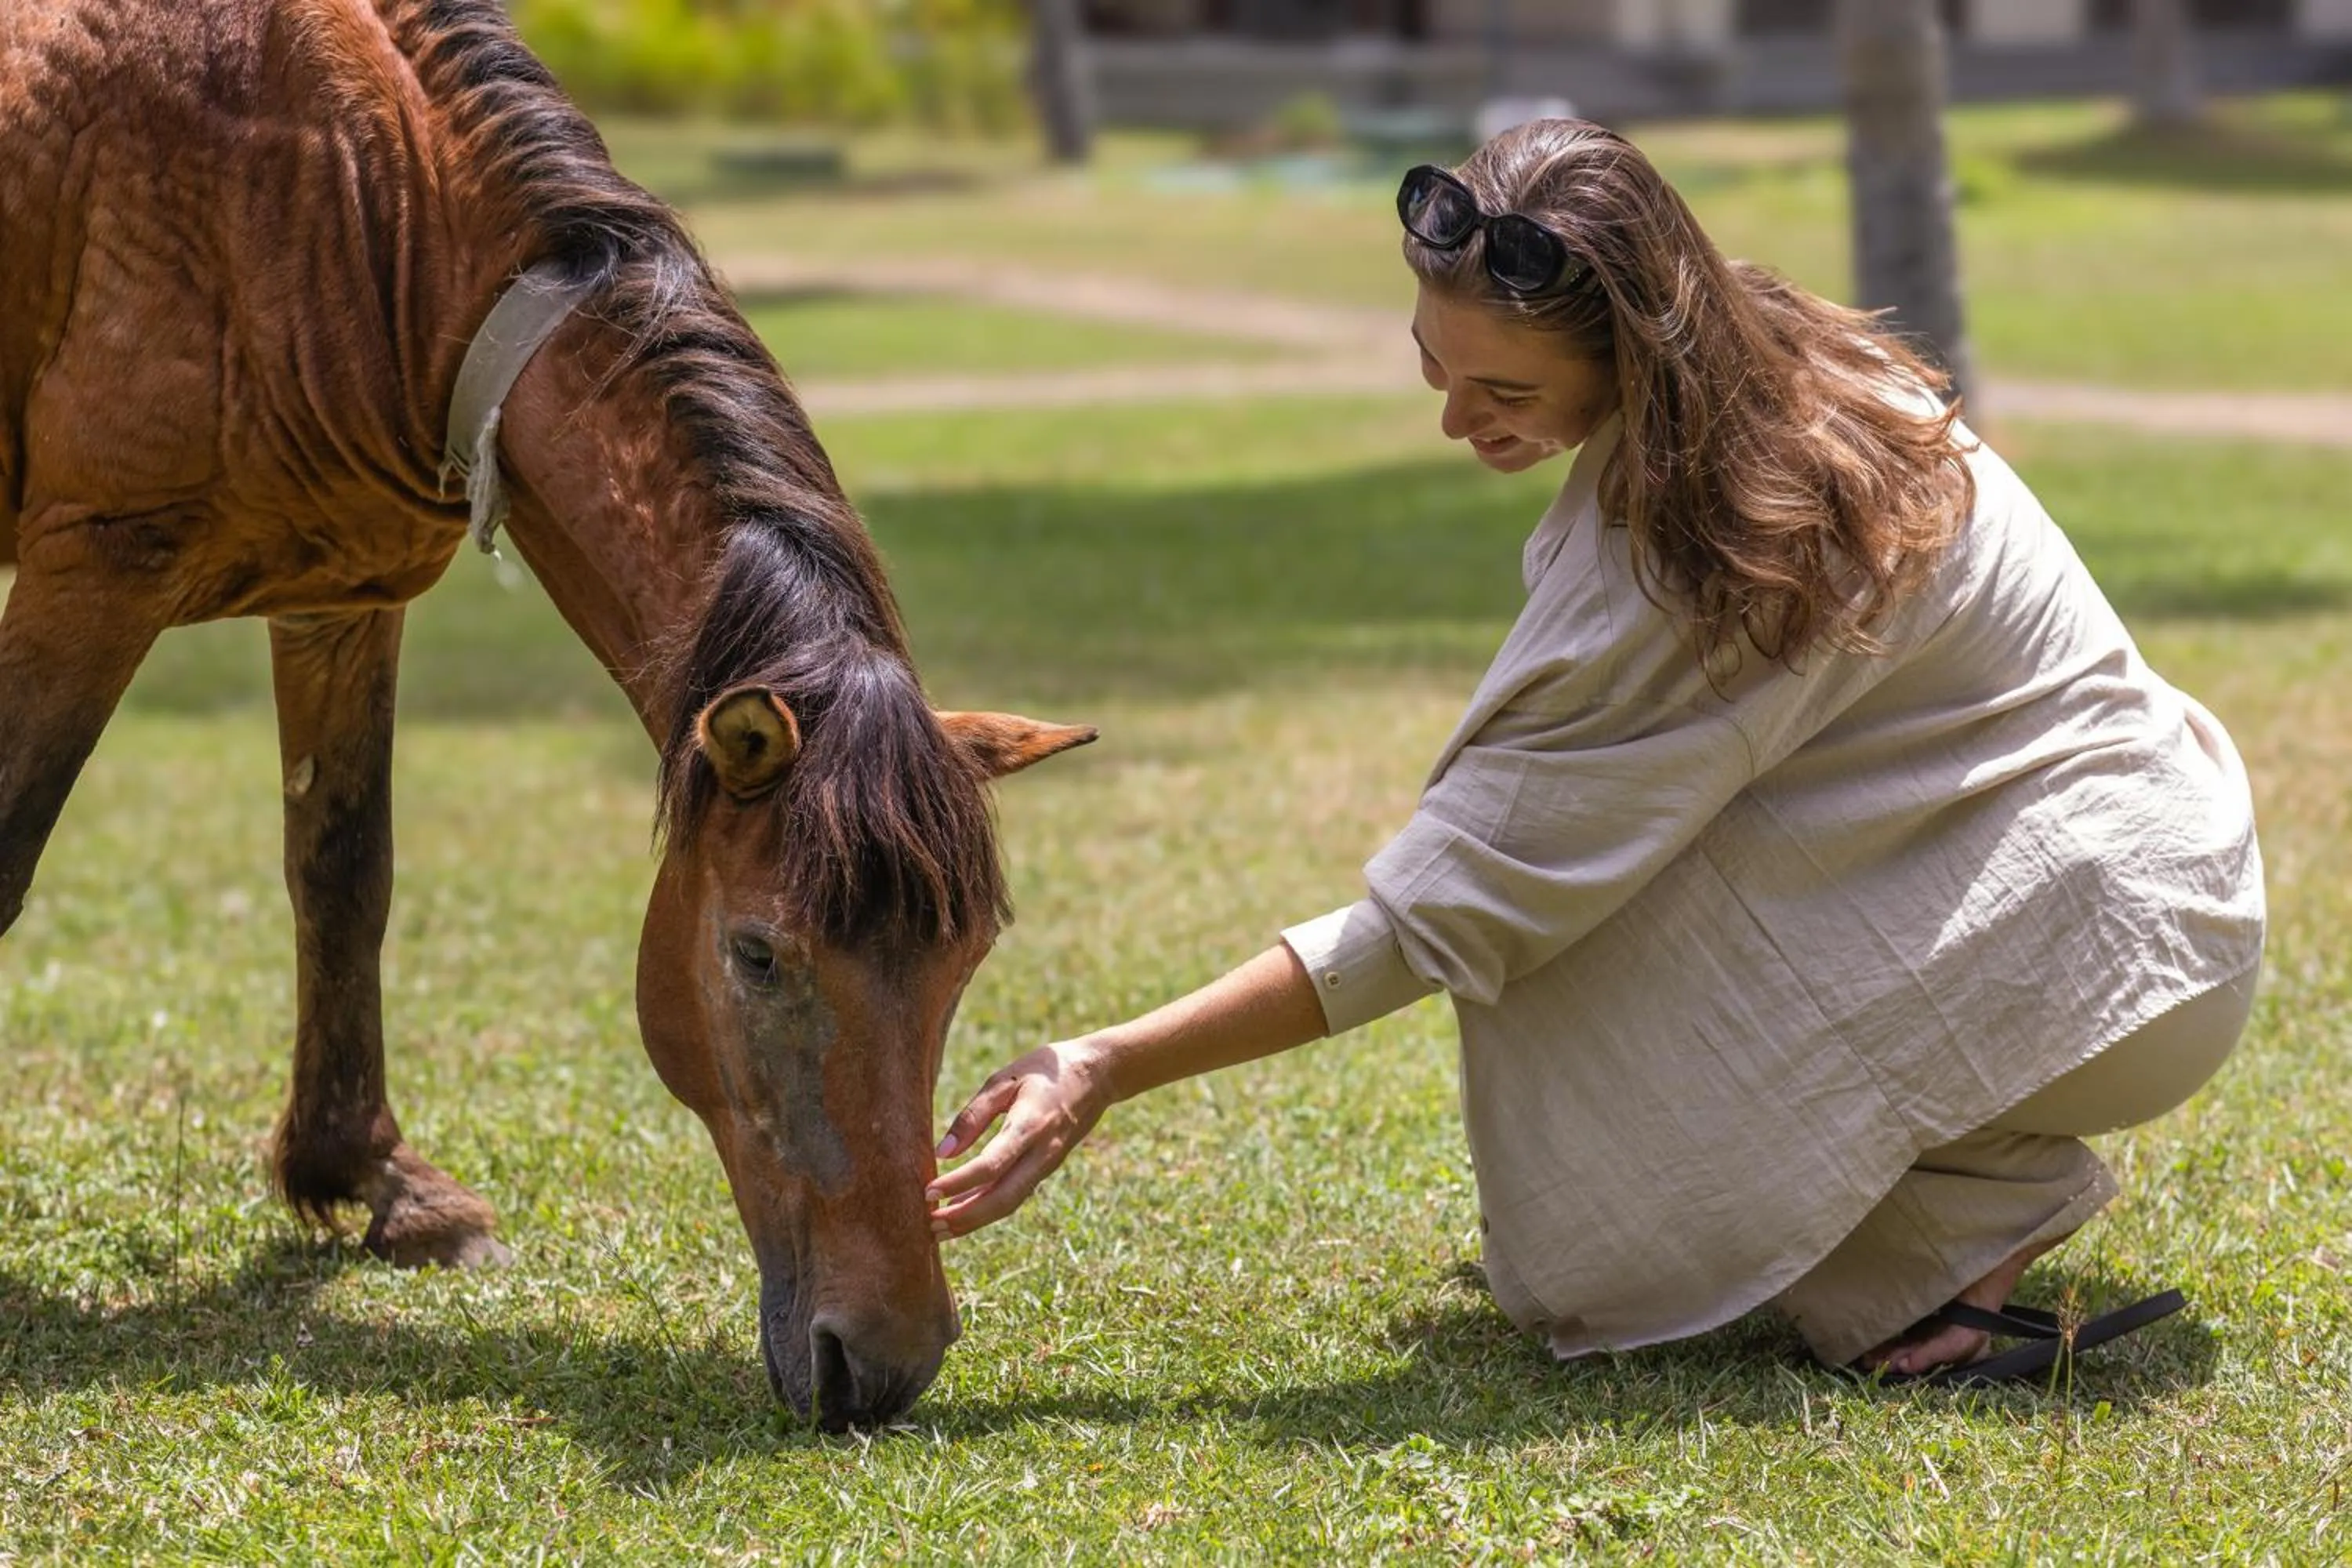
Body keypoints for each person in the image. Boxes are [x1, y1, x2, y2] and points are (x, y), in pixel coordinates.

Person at [926, 119, 2265, 1383]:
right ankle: (1938, 1217)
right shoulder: (1770, 360)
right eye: (1434, 365)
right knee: (1613, 903)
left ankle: (1976, 1217)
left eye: (1505, 389)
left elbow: (1447, 911)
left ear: (1635, 349)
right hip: (2160, 885)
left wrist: (1103, 1065)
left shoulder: (1713, 545)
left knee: (1572, 934)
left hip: (2104, 957)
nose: (1458, 420)